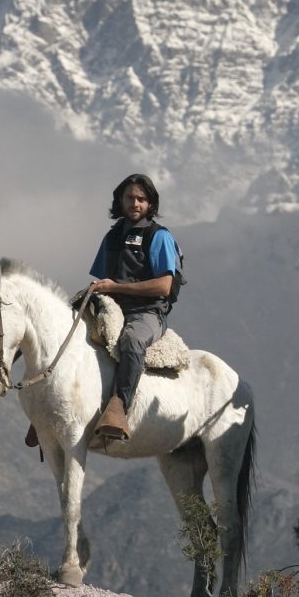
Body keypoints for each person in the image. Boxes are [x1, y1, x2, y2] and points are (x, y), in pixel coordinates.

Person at [84, 173, 184, 447]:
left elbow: (164, 286)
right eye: (130, 197)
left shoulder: (159, 236)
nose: (135, 203)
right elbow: (103, 277)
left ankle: (118, 408)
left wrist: (117, 287)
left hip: (147, 313)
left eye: (142, 198)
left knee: (131, 340)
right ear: (120, 200)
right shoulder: (113, 236)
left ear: (151, 204)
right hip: (111, 306)